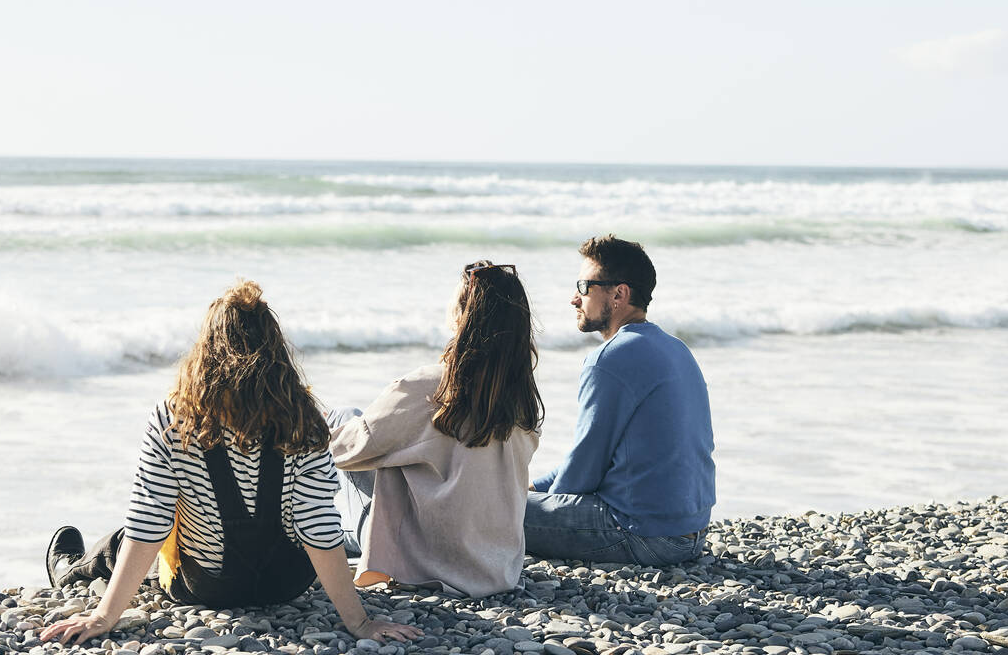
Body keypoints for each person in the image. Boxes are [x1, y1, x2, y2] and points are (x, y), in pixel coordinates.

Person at [39, 281, 421, 646]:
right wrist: (359, 622)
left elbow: (148, 524)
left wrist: (105, 616)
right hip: (287, 583)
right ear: (276, 349)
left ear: (206, 348)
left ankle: (70, 570)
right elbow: (317, 525)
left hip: (207, 585)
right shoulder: (303, 417)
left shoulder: (174, 416)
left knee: (126, 538)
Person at [328, 260, 542, 597]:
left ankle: (304, 534)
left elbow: (344, 452)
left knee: (342, 419)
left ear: (462, 317)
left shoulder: (431, 388)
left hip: (429, 562)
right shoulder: (524, 399)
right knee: (401, 448)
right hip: (498, 569)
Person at [525, 235, 715, 565]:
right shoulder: (676, 349)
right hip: (691, 531)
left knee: (489, 510)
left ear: (618, 294)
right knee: (516, 498)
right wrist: (533, 487)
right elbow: (592, 459)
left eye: (584, 287)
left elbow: (583, 473)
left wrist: (524, 501)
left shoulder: (609, 360)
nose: (574, 299)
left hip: (643, 534)